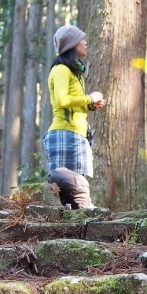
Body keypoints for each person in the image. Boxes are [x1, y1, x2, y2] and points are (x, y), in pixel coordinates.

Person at [42, 25, 105, 209]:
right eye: (80, 40)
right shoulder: (61, 69)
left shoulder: (75, 72)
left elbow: (72, 102)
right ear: (71, 44)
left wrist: (90, 105)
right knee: (69, 184)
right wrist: (89, 98)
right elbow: (62, 100)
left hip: (77, 136)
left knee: (75, 188)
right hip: (64, 134)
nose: (85, 42)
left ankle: (77, 225)